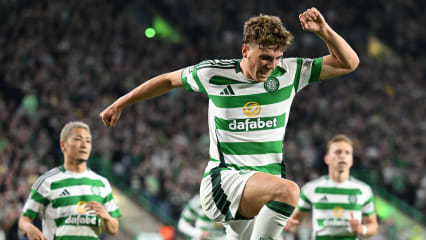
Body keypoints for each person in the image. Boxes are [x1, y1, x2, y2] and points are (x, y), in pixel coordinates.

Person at [100, 7, 359, 239]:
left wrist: (324, 31)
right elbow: (169, 80)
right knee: (289, 192)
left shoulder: (289, 73)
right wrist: (120, 103)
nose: (272, 65)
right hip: (224, 182)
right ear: (245, 50)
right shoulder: (214, 73)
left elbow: (349, 63)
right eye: (266, 58)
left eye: (278, 57)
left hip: (259, 190)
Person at [18, 121, 122, 240]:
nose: (84, 145)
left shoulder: (102, 183)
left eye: (88, 141)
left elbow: (114, 229)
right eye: (78, 139)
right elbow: (24, 220)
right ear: (63, 145)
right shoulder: (47, 181)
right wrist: (29, 228)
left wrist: (106, 217)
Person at [284, 134, 379, 239]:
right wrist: (289, 226)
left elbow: (373, 226)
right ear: (327, 159)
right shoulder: (311, 189)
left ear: (351, 160)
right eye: (338, 152)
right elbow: (294, 222)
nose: (342, 156)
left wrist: (362, 229)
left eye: (347, 153)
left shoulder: (364, 190)